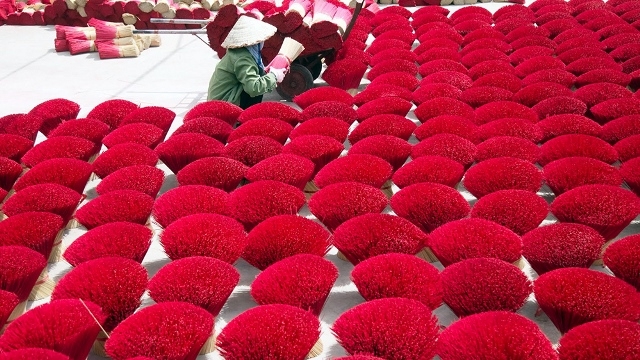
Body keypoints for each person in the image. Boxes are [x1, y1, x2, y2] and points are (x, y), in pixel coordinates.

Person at [207, 16, 290, 109]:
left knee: (260, 82)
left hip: (221, 99)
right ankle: (240, 121)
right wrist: (274, 76)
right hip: (222, 105)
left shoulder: (239, 51)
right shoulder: (243, 58)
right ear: (255, 42)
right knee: (256, 91)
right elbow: (253, 87)